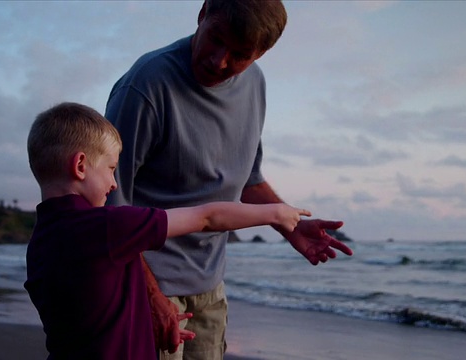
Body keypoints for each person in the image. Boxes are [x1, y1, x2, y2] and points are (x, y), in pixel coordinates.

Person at [104, 1, 354, 359]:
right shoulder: (145, 86)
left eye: (239, 54)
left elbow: (247, 180)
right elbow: (108, 205)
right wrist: (150, 295)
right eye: (215, 39)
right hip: (146, 282)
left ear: (261, 54)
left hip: (210, 288)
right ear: (203, 13)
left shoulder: (254, 85)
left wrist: (290, 224)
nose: (219, 61)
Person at [24, 102, 311, 360]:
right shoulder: (106, 227)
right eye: (111, 168)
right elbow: (207, 217)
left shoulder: (40, 242)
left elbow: (97, 310)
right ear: (81, 165)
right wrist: (276, 213)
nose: (114, 183)